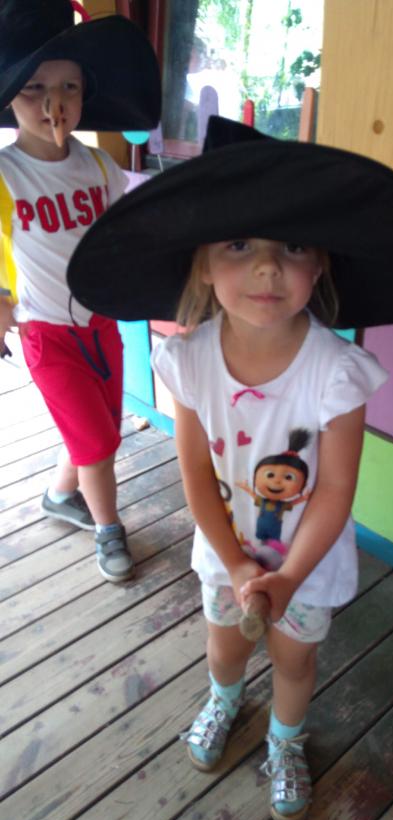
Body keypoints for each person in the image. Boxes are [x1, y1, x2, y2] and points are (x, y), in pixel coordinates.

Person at [65, 116, 393, 820]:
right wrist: (238, 565)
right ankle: (223, 699)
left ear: (322, 264)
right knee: (224, 648)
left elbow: (334, 489)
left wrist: (286, 577)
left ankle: (285, 739)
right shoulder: (188, 361)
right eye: (240, 245)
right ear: (202, 263)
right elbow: (194, 471)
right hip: (224, 555)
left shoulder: (337, 373)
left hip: (307, 563)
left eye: (293, 246)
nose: (268, 268)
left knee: (294, 661)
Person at [0, 0, 161, 582]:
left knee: (100, 429)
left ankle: (60, 495)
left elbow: (125, 236)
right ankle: (108, 528)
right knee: (96, 442)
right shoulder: (4, 174)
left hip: (102, 323)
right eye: (34, 87)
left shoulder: (100, 167)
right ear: (9, 98)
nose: (54, 102)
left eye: (68, 86)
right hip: (46, 333)